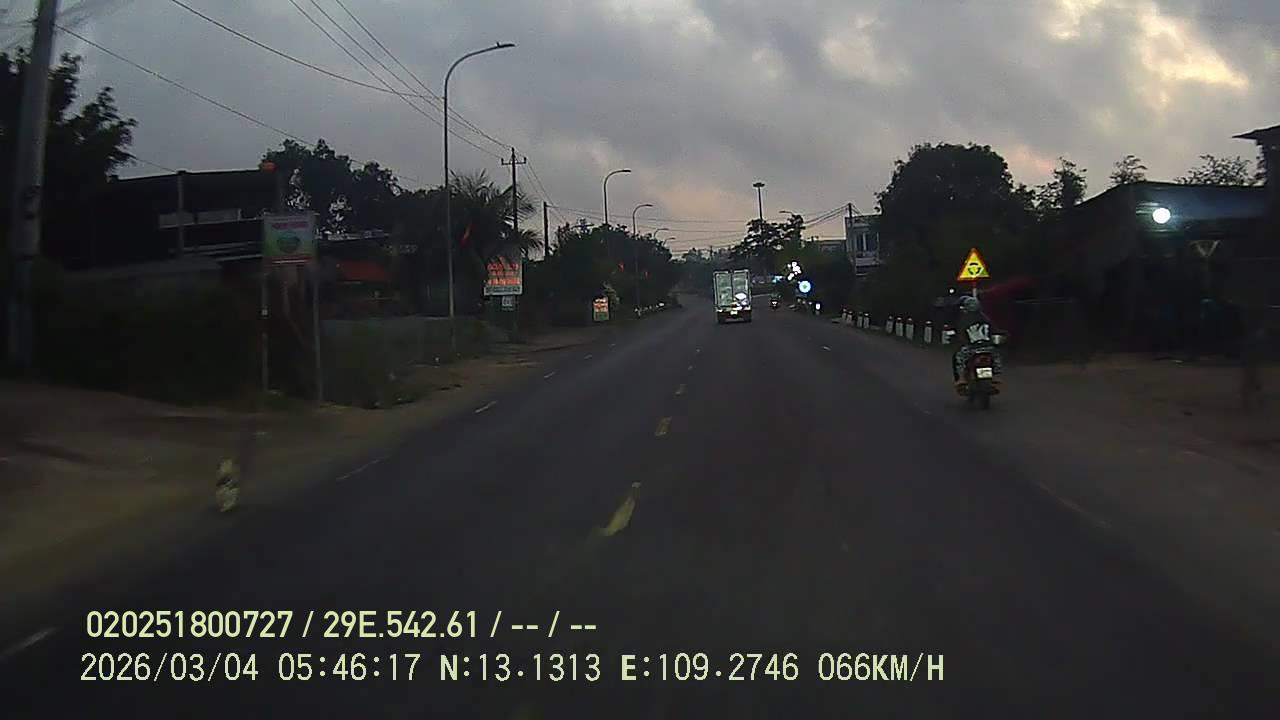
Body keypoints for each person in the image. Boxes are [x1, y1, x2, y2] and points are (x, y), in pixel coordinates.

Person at [952, 295, 1003, 390]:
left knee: (958, 358)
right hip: (988, 347)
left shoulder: (964, 319)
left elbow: (961, 334)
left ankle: (961, 378)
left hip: (971, 348)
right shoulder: (985, 318)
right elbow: (994, 330)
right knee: (996, 356)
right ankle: (996, 375)